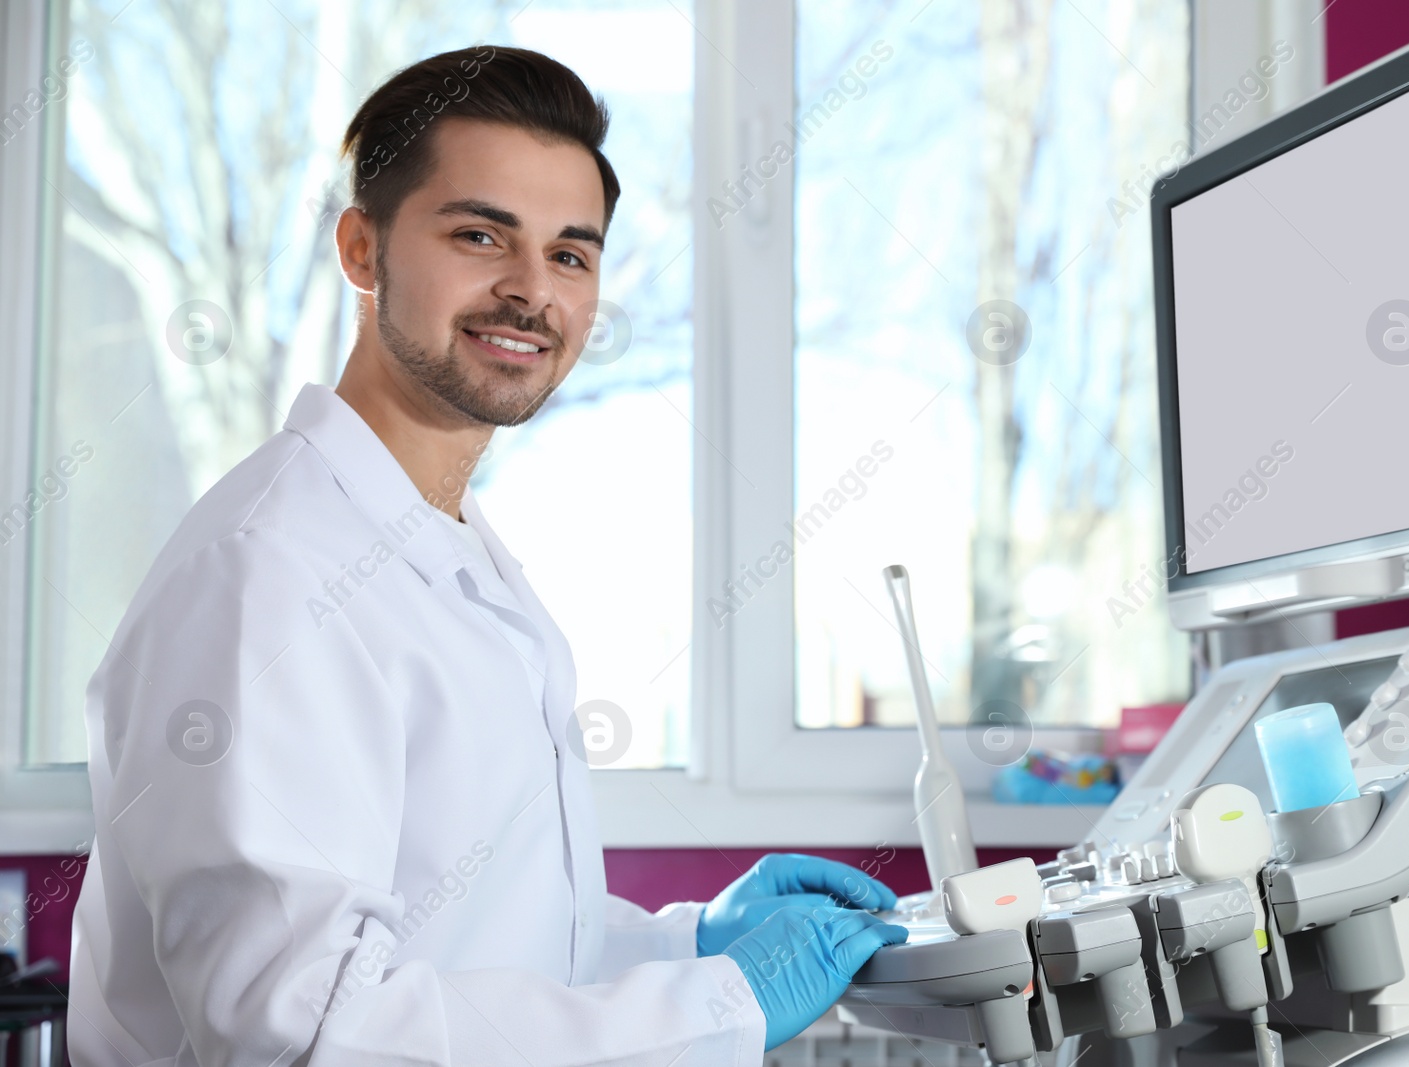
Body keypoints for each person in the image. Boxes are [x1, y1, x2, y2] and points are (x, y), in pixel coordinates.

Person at [68, 45, 907, 1066]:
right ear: (361, 250)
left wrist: (682, 942)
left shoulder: (453, 551)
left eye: (570, 254)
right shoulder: (270, 574)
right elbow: (298, 1028)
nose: (529, 291)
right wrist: (719, 1003)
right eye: (481, 234)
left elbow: (468, 943)